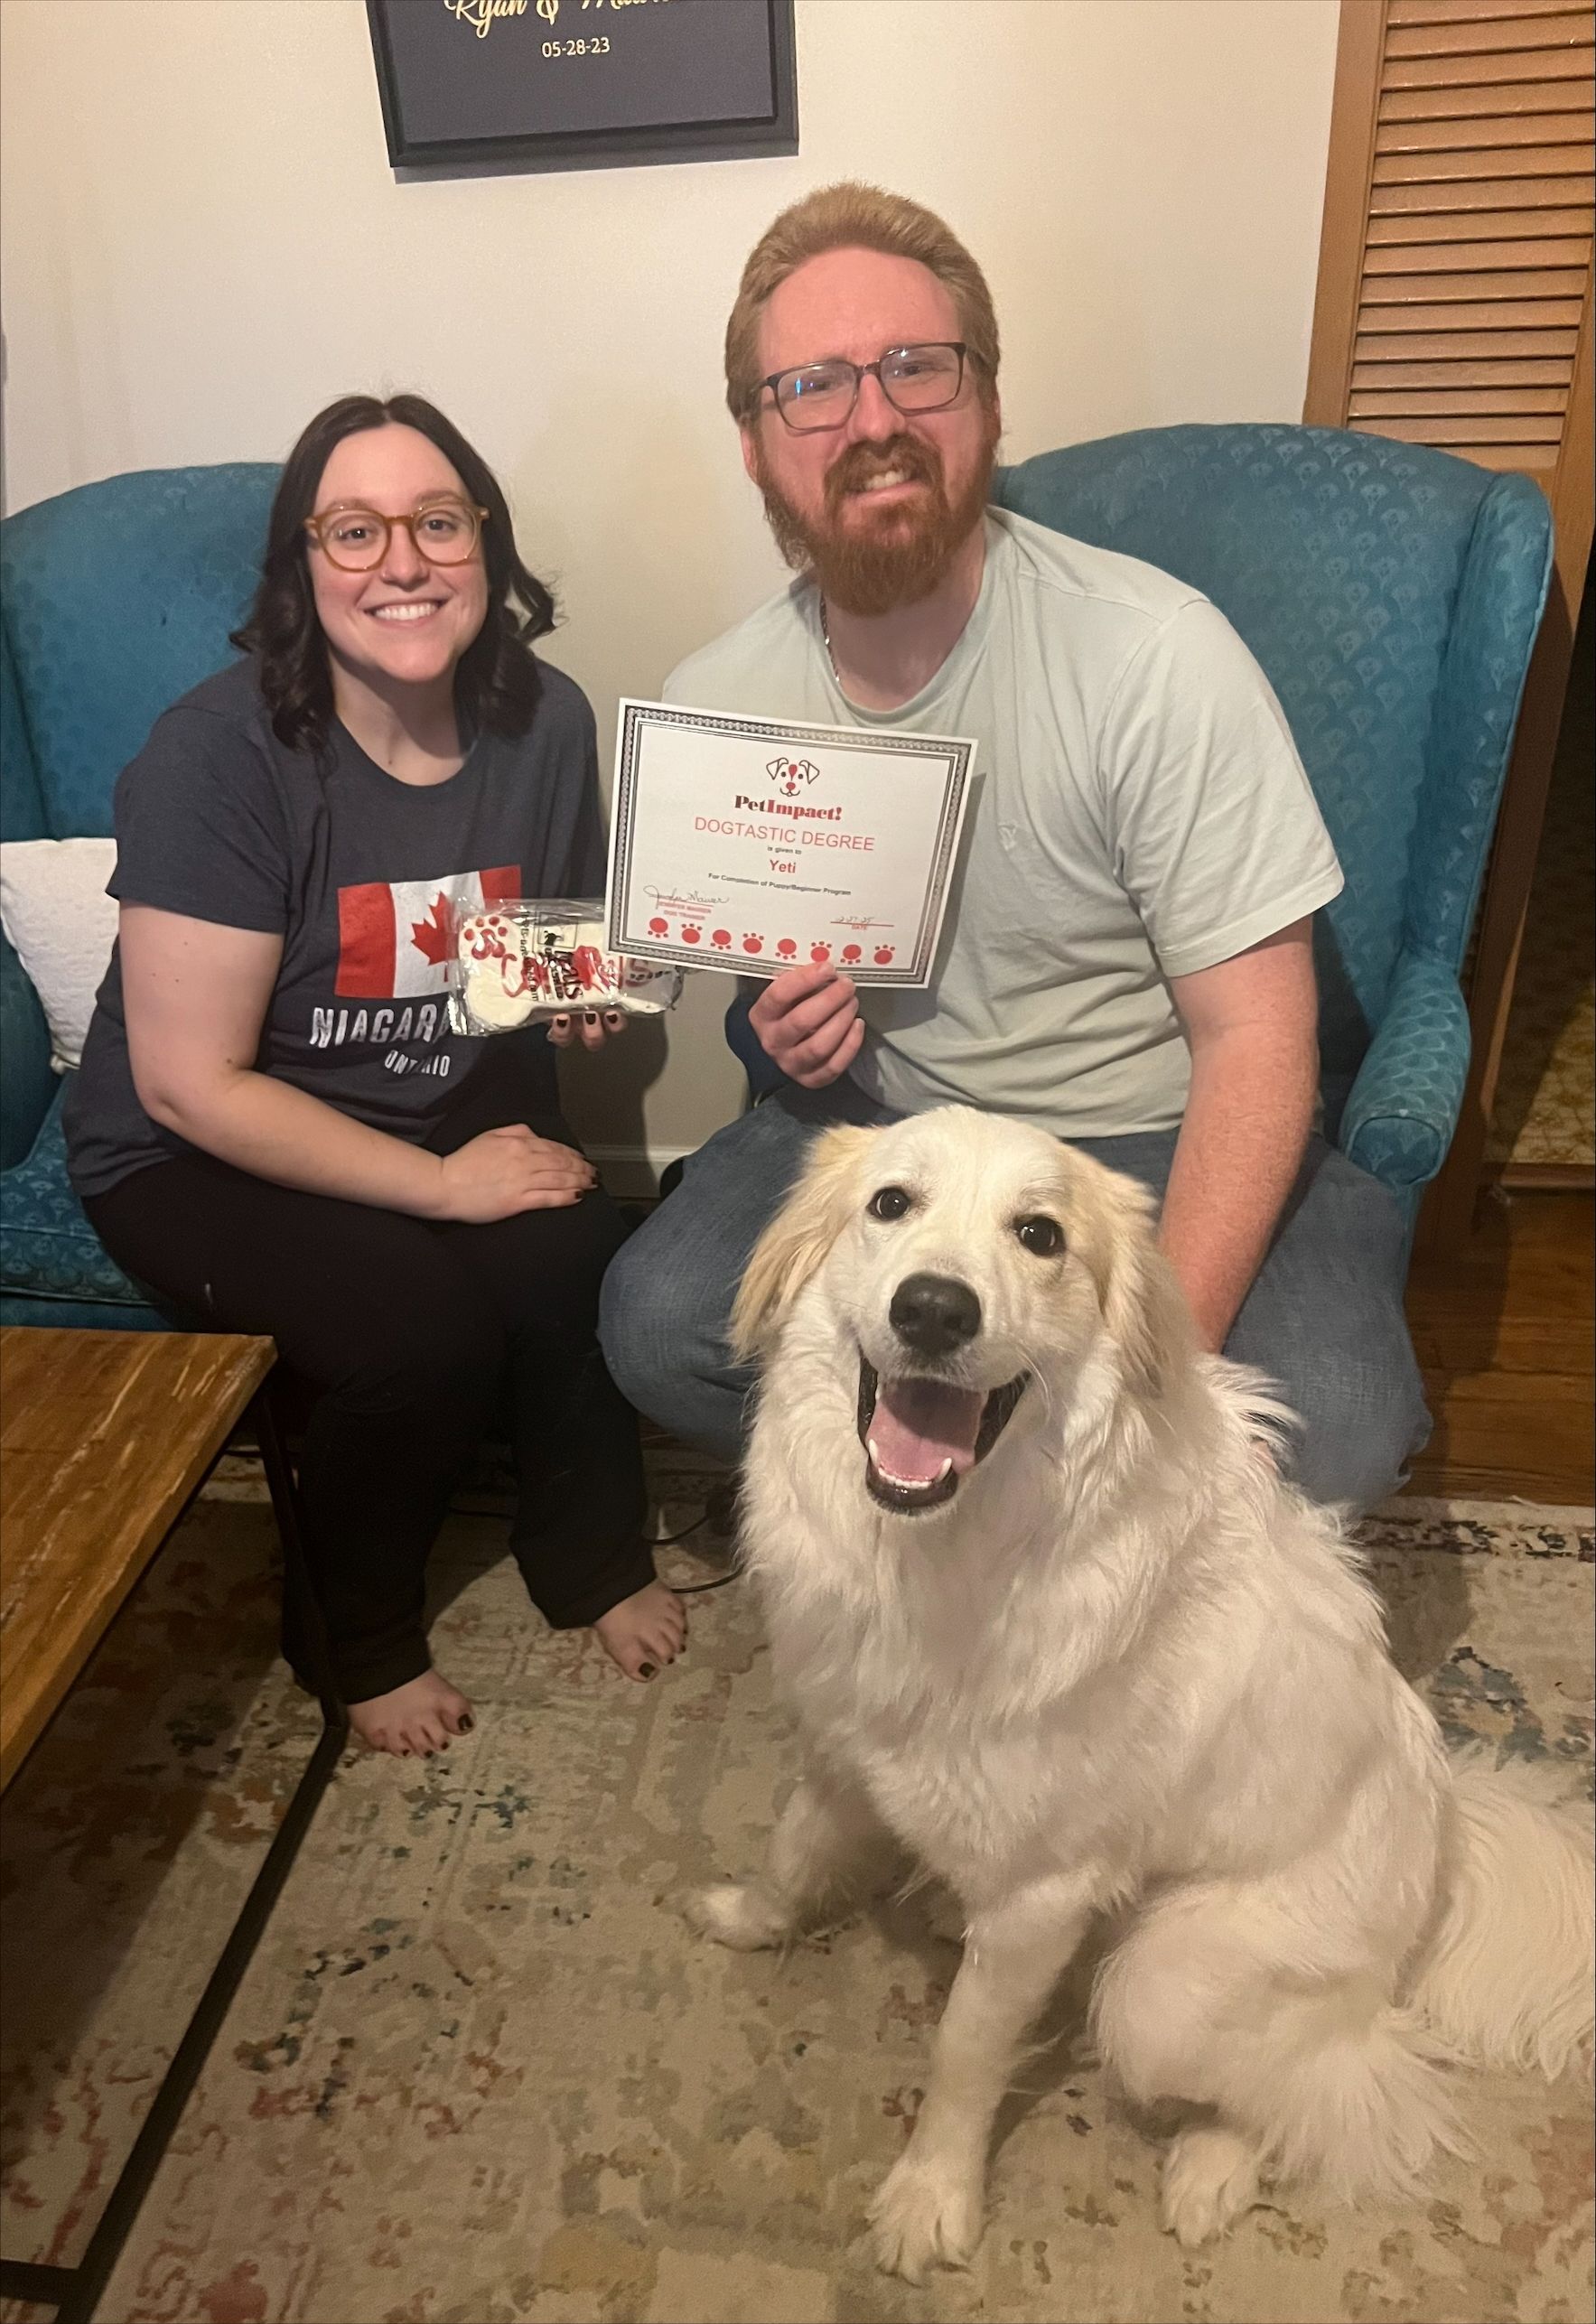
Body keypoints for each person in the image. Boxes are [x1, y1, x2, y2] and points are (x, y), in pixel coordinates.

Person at [599, 182, 1429, 1510]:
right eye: (813, 386)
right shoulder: (717, 703)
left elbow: (1261, 1041)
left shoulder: (1156, 656)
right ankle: (953, 1532)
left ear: (986, 401)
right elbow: (748, 1001)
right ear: (755, 444)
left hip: (1146, 1135)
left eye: (917, 367)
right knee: (659, 1326)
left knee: (1332, 1425)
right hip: (888, 1128)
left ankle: (1033, 1513)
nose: (874, 419)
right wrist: (777, 1031)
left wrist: (1147, 1375)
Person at [65, 393, 686, 1758]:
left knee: (576, 1252)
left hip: (436, 1095)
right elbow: (188, 1084)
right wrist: (442, 1188)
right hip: (197, 1146)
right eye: (355, 531)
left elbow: (530, 947)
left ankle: (588, 1556)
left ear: (486, 544)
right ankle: (354, 1639)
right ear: (302, 564)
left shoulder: (548, 720)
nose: (403, 561)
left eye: (437, 523)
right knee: (418, 1337)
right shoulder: (216, 756)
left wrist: (575, 995)